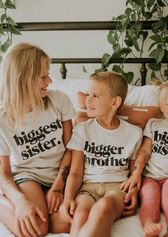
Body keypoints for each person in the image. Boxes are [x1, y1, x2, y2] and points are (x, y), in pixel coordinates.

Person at [0, 42, 76, 237]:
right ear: (22, 78)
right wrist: (20, 202)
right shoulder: (2, 119)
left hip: (59, 175)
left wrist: (58, 186)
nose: (50, 80)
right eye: (43, 76)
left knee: (68, 222)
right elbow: (4, 175)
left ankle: (39, 202)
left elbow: (71, 148)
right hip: (28, 176)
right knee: (37, 228)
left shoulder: (59, 101)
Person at [59, 71, 143, 237]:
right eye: (87, 94)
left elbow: (134, 172)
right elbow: (75, 172)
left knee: (103, 207)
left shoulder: (134, 133)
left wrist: (133, 191)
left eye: (95, 96)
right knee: (81, 213)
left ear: (115, 102)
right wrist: (67, 198)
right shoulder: (83, 129)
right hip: (88, 188)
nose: (87, 100)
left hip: (117, 187)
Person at [120, 80, 168, 237]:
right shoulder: (154, 124)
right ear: (160, 106)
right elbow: (144, 151)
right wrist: (136, 173)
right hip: (150, 176)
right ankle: (149, 225)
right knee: (149, 198)